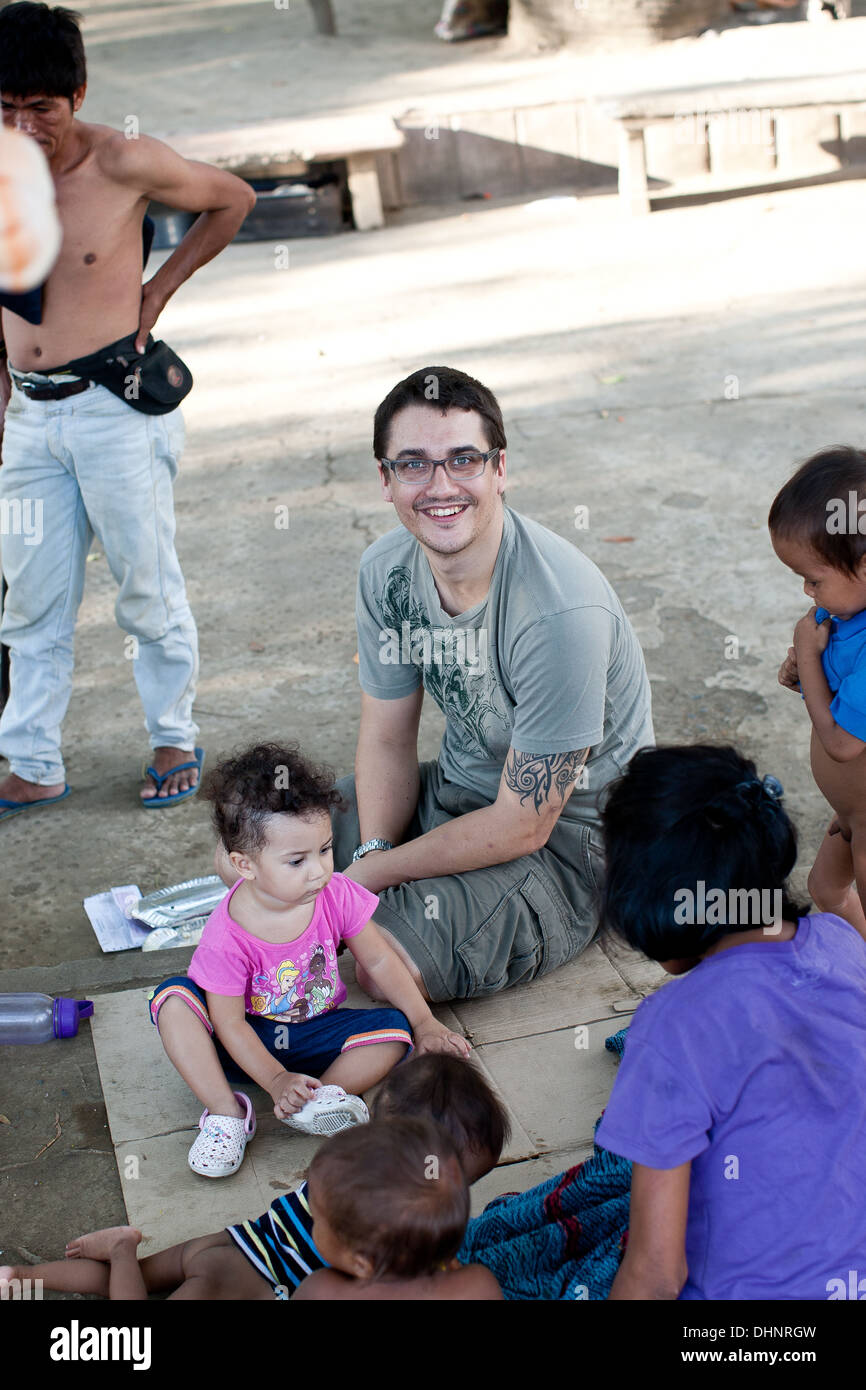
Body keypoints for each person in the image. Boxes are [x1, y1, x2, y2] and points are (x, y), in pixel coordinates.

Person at [317, 364, 654, 1004]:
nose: (441, 485)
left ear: (500, 470)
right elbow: (387, 738)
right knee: (258, 833)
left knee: (377, 964)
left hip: (563, 848)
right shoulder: (386, 570)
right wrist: (375, 851)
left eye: (463, 460)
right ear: (385, 481)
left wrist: (367, 878)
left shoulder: (559, 613)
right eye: (413, 464)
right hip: (454, 794)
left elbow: (524, 825)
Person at [0, 2, 256, 820]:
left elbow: (234, 199)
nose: (24, 126)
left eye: (41, 107)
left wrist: (157, 289)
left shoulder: (122, 162)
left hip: (115, 409)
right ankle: (33, 760)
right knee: (31, 599)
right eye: (6, 109)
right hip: (28, 417)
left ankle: (174, 737)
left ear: (77, 92)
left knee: (144, 588)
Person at [594, 744, 866, 1300]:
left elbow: (655, 1276)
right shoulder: (845, 948)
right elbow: (828, 892)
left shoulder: (671, 1027)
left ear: (651, 904)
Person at [149, 743, 470, 1178]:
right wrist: (274, 1078)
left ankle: (318, 1100)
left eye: (324, 849)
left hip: (316, 1033)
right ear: (245, 865)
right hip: (242, 1041)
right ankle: (226, 1112)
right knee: (173, 998)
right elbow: (229, 1024)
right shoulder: (226, 936)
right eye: (297, 861)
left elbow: (378, 961)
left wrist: (425, 1021)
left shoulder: (334, 893)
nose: (318, 870)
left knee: (395, 1031)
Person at [0, 1054, 509, 1300]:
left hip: (240, 1238)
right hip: (240, 1276)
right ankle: (120, 1250)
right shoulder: (343, 1273)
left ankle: (22, 1279)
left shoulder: (356, 1168)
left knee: (151, 1277)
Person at [769, 447, 866, 938]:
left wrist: (807, 657)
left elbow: (844, 745)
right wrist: (803, 674)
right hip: (853, 811)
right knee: (826, 891)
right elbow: (831, 696)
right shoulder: (843, 615)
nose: (808, 592)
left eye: (813, 579)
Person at [292, 1118, 503, 1301]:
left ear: (363, 1263)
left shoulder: (322, 1290)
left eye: (317, 1218)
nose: (312, 1222)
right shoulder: (479, 1286)